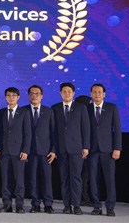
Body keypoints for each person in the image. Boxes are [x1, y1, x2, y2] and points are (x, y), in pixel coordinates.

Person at [52, 82, 90, 215]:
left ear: (73, 93)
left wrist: (86, 147)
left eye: (69, 91)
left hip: (77, 148)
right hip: (61, 148)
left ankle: (77, 205)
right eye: (64, 91)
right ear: (61, 93)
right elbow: (53, 131)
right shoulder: (55, 108)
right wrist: (54, 149)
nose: (67, 94)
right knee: (64, 178)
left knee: (76, 177)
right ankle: (67, 205)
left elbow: (86, 128)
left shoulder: (81, 107)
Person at [87, 83, 122, 217]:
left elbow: (117, 129)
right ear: (91, 94)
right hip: (92, 150)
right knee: (93, 179)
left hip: (108, 149)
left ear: (104, 94)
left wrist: (117, 148)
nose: (97, 94)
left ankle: (110, 207)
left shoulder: (112, 108)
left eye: (99, 92)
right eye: (94, 92)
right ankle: (96, 206)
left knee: (109, 179)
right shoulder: (87, 109)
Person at [23, 85, 56, 214]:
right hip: (30, 151)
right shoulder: (23, 110)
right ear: (28, 96)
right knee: (32, 179)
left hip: (46, 151)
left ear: (41, 96)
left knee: (47, 179)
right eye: (32, 93)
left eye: (37, 93)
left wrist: (53, 150)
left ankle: (48, 204)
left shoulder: (49, 111)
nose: (34, 96)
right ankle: (35, 204)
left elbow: (54, 133)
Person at [0, 87, 31, 214]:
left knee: (19, 180)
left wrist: (25, 150)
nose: (11, 98)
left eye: (14, 95)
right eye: (8, 95)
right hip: (4, 151)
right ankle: (7, 204)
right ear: (5, 97)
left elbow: (27, 133)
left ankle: (19, 204)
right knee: (5, 179)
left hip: (19, 152)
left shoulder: (24, 112)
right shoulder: (1, 112)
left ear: (18, 97)